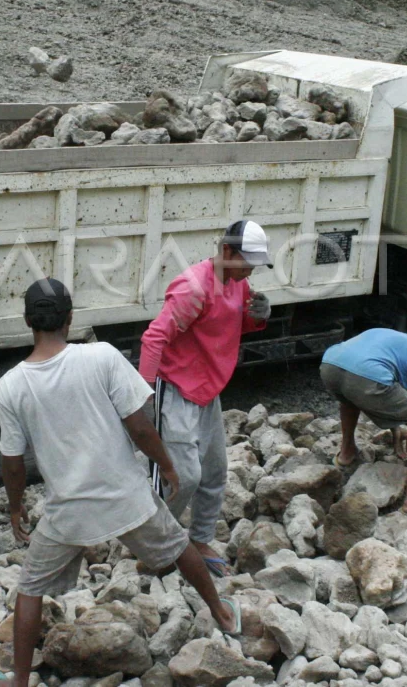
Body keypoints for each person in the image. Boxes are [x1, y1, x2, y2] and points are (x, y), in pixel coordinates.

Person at [0, 279, 240, 687]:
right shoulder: (102, 356)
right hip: (127, 498)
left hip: (67, 512)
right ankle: (224, 614)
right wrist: (167, 466)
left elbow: (13, 463)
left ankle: (19, 681)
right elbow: (139, 426)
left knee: (30, 588)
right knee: (179, 546)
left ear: (27, 322)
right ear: (70, 318)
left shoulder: (11, 385)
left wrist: (15, 508)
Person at [137, 220, 271, 577]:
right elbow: (154, 338)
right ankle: (153, 546)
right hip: (176, 389)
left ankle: (198, 539)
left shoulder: (237, 282)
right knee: (183, 476)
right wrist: (145, 396)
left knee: (214, 472)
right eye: (247, 263)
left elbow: (233, 323)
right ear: (226, 251)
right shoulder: (194, 288)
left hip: (207, 390)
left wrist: (258, 318)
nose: (250, 271)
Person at [320, 324, 407, 515]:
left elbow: (389, 398)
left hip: (330, 364)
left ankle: (346, 453)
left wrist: (395, 434)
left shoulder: (396, 342)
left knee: (350, 397)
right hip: (366, 373)